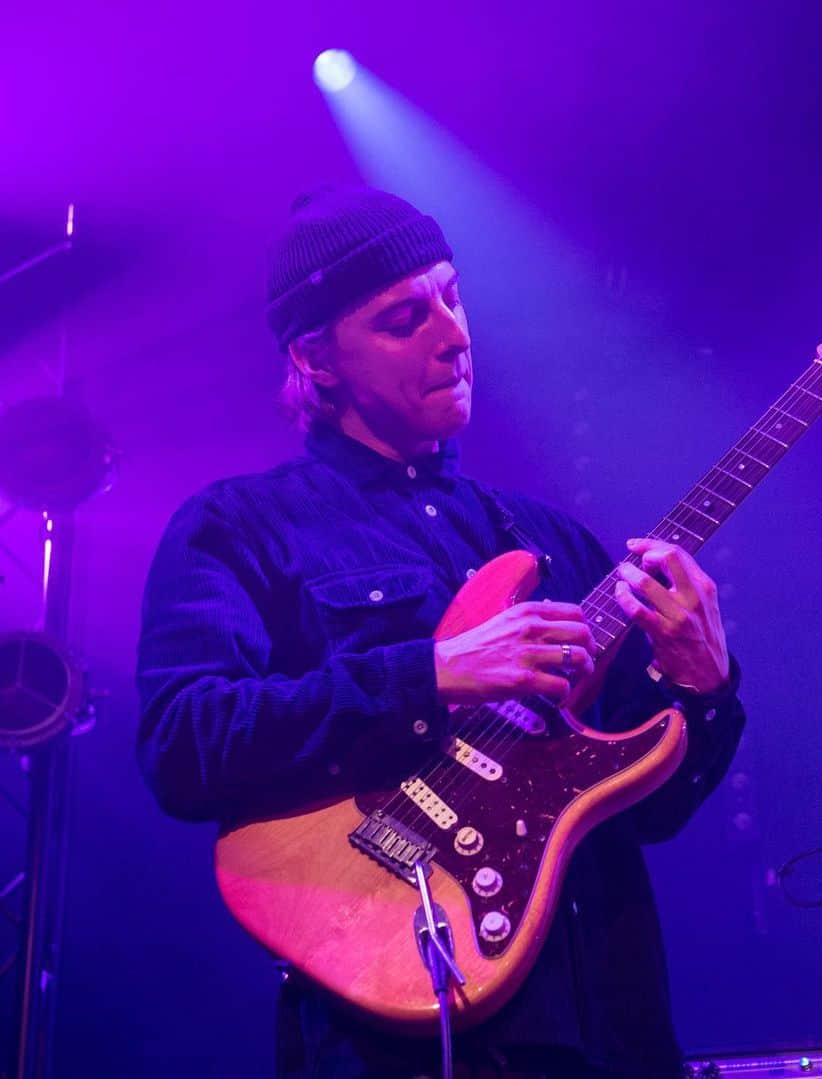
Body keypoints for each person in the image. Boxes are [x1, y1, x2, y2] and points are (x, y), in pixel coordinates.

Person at [136, 185, 746, 1078]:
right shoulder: (240, 526)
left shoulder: (551, 541)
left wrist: (702, 685)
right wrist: (429, 673)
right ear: (316, 357)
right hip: (391, 1034)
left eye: (455, 296)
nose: (454, 335)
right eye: (403, 319)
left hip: (609, 1029)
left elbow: (652, 810)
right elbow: (184, 743)